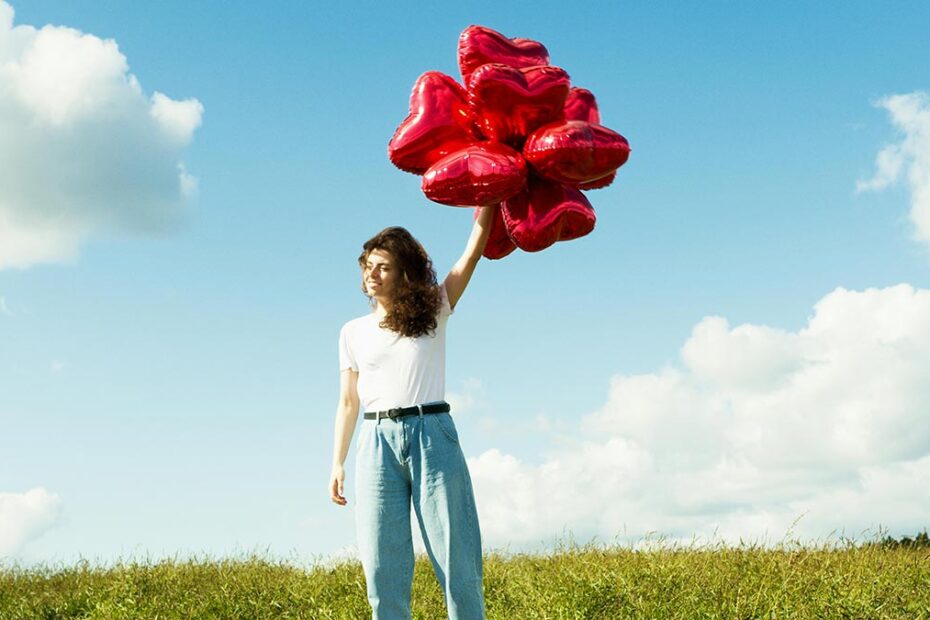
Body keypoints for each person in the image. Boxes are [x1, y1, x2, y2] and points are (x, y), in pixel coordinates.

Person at [330, 207, 494, 620]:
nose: (372, 274)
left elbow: (471, 255)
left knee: (456, 557)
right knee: (381, 563)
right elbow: (348, 401)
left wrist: (490, 199)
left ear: (404, 273)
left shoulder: (435, 309)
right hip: (374, 441)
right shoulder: (352, 332)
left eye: (383, 267)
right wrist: (337, 462)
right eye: (368, 266)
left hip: (431, 432)